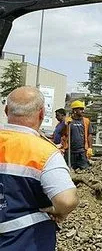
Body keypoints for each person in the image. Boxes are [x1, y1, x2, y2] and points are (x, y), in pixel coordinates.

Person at [0, 86, 79, 250]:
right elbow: (67, 200)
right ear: (42, 114)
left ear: (7, 111)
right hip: (25, 241)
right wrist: (56, 210)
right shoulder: (43, 152)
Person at [61, 100, 94, 169]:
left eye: (83, 109)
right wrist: (65, 124)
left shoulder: (86, 121)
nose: (83, 111)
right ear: (75, 110)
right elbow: (63, 134)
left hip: (81, 152)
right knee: (68, 169)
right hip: (70, 151)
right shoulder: (69, 121)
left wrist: (90, 147)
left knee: (85, 169)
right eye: (80, 109)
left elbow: (89, 135)